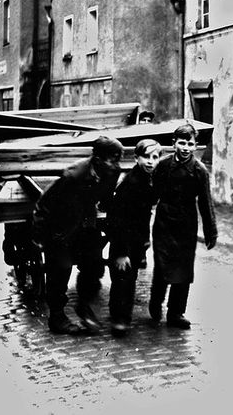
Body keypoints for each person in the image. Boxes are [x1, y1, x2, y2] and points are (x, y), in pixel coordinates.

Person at [32, 136, 122, 335]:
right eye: (112, 159)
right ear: (97, 159)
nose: (116, 163)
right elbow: (44, 204)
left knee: (95, 265)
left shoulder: (113, 171)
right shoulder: (73, 175)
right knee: (60, 269)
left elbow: (106, 199)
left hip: (85, 225)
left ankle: (84, 304)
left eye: (118, 159)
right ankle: (56, 317)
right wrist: (38, 237)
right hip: (60, 228)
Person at [149, 123, 217, 329]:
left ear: (196, 146)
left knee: (183, 268)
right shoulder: (163, 166)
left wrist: (210, 231)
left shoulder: (199, 171)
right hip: (164, 221)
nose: (185, 148)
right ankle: (156, 301)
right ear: (174, 144)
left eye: (190, 144)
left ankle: (176, 312)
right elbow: (152, 194)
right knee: (162, 265)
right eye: (181, 143)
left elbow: (206, 202)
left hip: (186, 224)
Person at [105, 139, 162, 336]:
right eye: (146, 157)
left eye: (155, 158)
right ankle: (120, 320)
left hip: (136, 242)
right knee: (124, 280)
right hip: (123, 242)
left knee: (128, 278)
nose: (150, 162)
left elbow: (145, 214)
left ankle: (117, 313)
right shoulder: (130, 183)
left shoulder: (148, 180)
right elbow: (116, 219)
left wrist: (145, 242)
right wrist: (121, 252)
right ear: (136, 158)